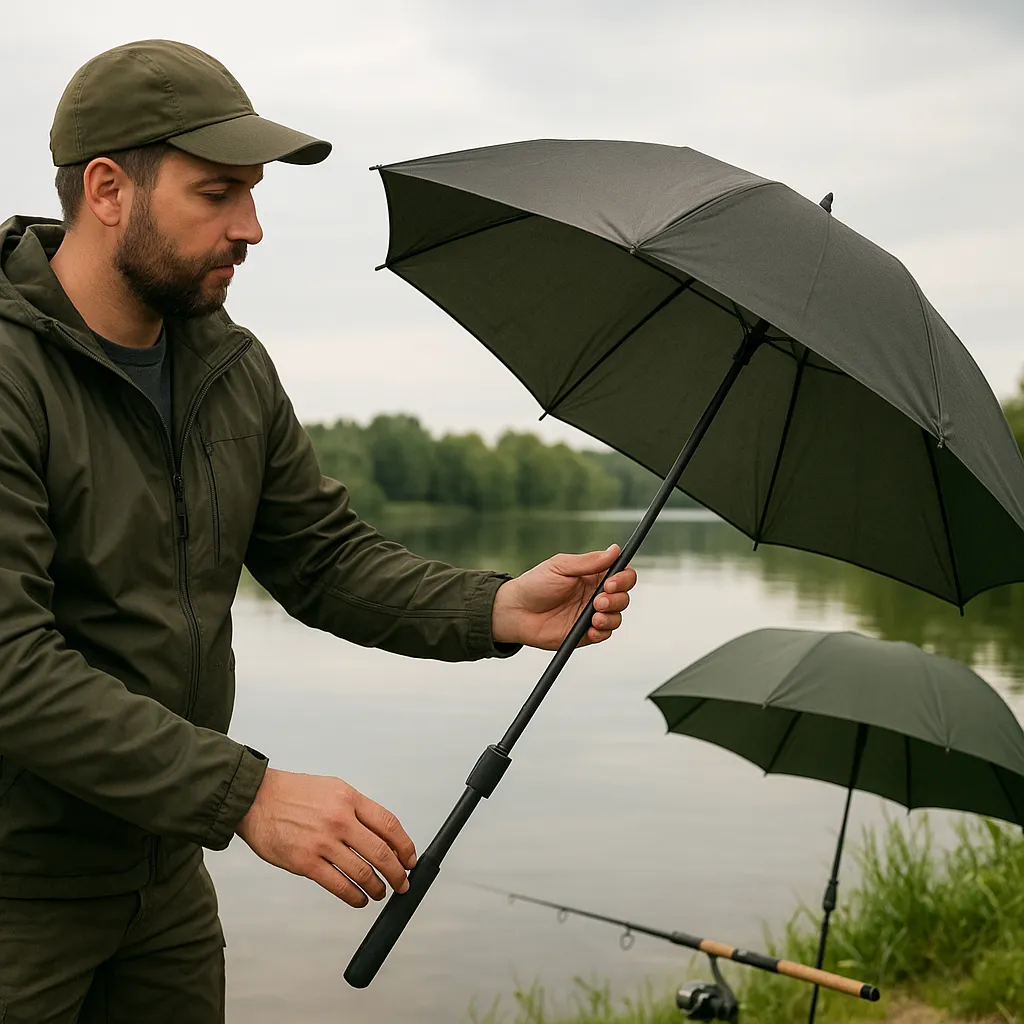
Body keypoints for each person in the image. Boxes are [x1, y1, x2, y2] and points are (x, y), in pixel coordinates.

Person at [0, 38, 637, 1023]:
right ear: (108, 189)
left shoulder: (229, 368)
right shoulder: (10, 374)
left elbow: (323, 560)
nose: (251, 227)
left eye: (253, 193)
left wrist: (497, 605)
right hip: (20, 891)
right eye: (217, 193)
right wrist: (247, 794)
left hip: (163, 877)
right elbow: (12, 667)